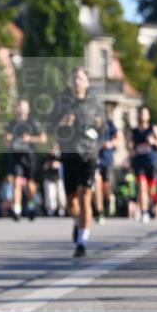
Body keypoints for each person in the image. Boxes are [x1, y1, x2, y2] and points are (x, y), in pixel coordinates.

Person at [54, 67, 104, 258]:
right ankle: (77, 222)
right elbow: (53, 129)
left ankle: (82, 242)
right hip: (69, 155)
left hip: (89, 155)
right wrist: (63, 123)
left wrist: (97, 122)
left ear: (87, 82)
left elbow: (104, 126)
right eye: (74, 78)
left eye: (81, 78)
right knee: (71, 202)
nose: (77, 81)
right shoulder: (62, 103)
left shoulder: (94, 103)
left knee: (85, 196)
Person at [4, 98, 46, 220]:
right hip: (16, 155)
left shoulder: (33, 122)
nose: (20, 109)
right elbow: (6, 138)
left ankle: (31, 206)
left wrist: (30, 139)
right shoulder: (11, 123)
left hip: (29, 156)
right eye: (18, 106)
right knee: (16, 181)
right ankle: (17, 209)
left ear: (27, 109)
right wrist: (8, 138)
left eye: (23, 107)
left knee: (30, 183)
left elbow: (43, 139)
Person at [129, 105, 157, 223]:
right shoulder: (134, 131)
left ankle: (149, 203)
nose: (142, 115)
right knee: (141, 187)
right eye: (141, 113)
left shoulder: (153, 129)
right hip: (139, 163)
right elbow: (129, 145)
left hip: (151, 162)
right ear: (138, 115)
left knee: (151, 191)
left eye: (145, 113)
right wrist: (132, 150)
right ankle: (144, 212)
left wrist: (154, 141)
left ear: (148, 116)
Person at [94, 104, 121, 223]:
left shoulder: (110, 124)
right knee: (97, 183)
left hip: (107, 159)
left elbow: (119, 138)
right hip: (94, 159)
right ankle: (99, 212)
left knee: (106, 186)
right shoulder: (90, 126)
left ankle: (109, 199)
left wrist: (110, 144)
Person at [41, 143, 66, 217]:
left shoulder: (60, 157)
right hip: (49, 178)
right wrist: (48, 165)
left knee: (61, 195)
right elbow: (42, 168)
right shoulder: (46, 157)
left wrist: (58, 165)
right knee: (50, 195)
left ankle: (62, 209)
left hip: (59, 178)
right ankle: (51, 210)